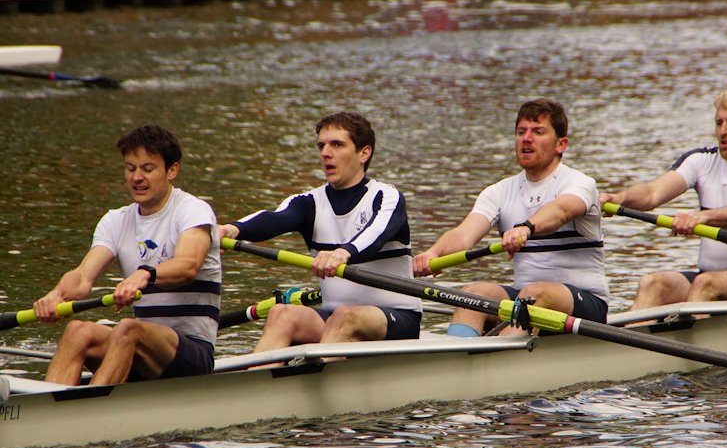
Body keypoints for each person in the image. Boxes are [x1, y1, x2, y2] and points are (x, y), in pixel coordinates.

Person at [218, 112, 421, 355]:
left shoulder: (387, 196)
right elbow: (275, 217)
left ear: (363, 153)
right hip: (333, 317)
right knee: (281, 313)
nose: (325, 152)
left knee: (345, 317)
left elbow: (376, 234)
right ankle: (256, 382)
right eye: (321, 145)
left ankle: (311, 384)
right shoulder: (309, 202)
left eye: (337, 144)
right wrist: (232, 229)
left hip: (397, 318)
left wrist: (343, 253)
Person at [35, 125, 222, 386]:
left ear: (172, 171)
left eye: (147, 168)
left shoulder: (193, 211)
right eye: (130, 168)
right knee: (78, 330)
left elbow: (188, 265)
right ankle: (49, 408)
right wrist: (57, 295)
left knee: (128, 328)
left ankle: (89, 412)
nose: (137, 177)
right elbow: (82, 277)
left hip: (192, 352)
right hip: (141, 350)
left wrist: (145, 273)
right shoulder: (116, 220)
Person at [413, 98, 609, 336]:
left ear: (561, 145)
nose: (526, 138)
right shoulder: (499, 191)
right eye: (521, 132)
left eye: (538, 132)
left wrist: (527, 228)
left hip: (585, 304)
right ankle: (456, 357)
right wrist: (433, 254)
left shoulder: (579, 183)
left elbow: (562, 211)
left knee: (534, 294)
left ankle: (495, 363)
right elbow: (464, 235)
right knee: (472, 294)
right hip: (526, 301)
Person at [599, 87, 727, 310]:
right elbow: (652, 193)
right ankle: (633, 343)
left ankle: (685, 340)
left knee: (705, 284)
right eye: (719, 122)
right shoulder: (700, 161)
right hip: (709, 278)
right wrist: (620, 198)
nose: (723, 130)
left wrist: (701, 217)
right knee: (653, 283)